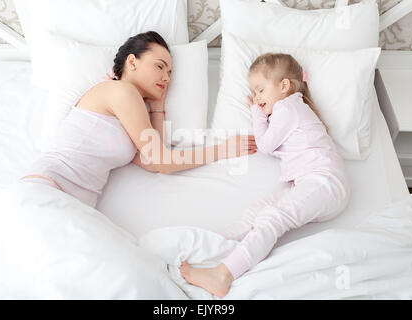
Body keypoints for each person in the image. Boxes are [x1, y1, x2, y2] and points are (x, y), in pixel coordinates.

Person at [20, 31, 257, 208]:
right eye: (160, 66)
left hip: (74, 202)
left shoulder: (127, 104)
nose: (166, 78)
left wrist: (156, 106)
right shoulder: (121, 92)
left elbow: (152, 162)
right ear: (132, 62)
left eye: (170, 73)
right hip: (51, 187)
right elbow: (163, 162)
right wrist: (223, 149)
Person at [179, 52, 350, 297]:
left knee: (272, 218)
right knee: (257, 212)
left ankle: (223, 275)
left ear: (284, 86)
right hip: (311, 183)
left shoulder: (287, 107)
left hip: (325, 181)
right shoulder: (291, 107)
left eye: (260, 90)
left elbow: (266, 144)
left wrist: (256, 114)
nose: (256, 98)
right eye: (254, 92)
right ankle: (216, 243)